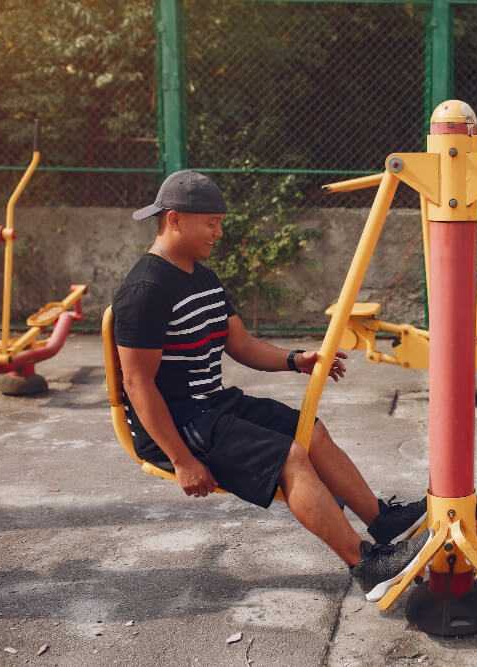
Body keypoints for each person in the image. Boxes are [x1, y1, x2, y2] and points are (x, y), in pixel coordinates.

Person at [112, 170, 428, 602]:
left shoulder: (202, 278)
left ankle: (383, 521)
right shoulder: (145, 290)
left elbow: (240, 343)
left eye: (219, 223)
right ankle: (367, 565)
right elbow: (137, 384)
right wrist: (182, 460)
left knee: (309, 431)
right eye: (211, 224)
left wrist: (295, 360)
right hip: (177, 424)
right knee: (289, 456)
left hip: (211, 406)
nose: (219, 233)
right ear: (175, 220)